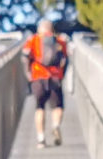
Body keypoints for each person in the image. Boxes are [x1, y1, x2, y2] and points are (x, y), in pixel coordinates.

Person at [22, 18, 68, 146]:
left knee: (39, 107)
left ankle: (41, 139)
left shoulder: (33, 39)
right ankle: (56, 125)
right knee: (58, 106)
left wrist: (28, 73)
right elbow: (65, 59)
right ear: (51, 29)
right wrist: (62, 74)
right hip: (55, 77)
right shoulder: (59, 41)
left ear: (39, 29)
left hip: (38, 76)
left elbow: (25, 55)